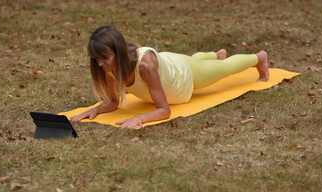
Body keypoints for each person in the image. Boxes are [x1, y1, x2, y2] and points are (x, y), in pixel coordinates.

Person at [71, 25, 269, 129]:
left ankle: (258, 57)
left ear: (119, 51)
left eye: (103, 58)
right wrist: (95, 110)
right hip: (170, 62)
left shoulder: (146, 66)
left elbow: (164, 110)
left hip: (185, 76)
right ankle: (214, 55)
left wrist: (139, 118)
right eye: (96, 59)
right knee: (198, 60)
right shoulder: (110, 67)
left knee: (224, 68)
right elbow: (114, 102)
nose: (99, 64)